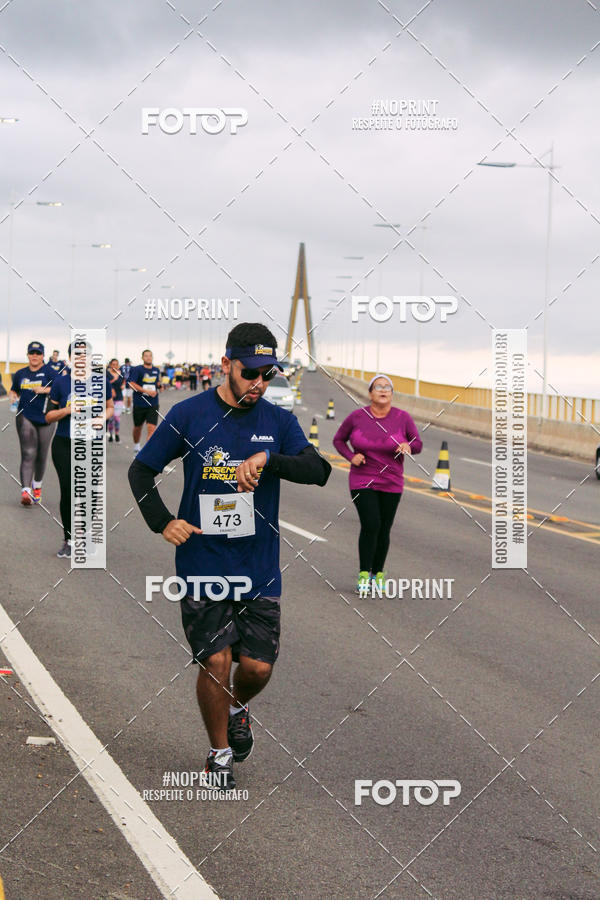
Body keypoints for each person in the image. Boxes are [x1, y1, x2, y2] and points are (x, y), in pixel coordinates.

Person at [128, 322, 331, 788]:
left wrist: (268, 460)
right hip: (203, 562)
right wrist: (163, 521)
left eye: (268, 374)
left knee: (257, 668)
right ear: (227, 365)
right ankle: (219, 753)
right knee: (216, 661)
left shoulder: (277, 422)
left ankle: (239, 708)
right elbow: (141, 471)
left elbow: (318, 470)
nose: (259, 383)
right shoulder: (190, 415)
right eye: (250, 372)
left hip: (258, 566)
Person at [333, 374, 422, 593]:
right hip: (362, 478)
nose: (383, 390)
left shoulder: (403, 418)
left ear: (391, 394)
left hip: (391, 481)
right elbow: (338, 440)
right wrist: (350, 457)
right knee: (371, 524)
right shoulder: (357, 417)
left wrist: (408, 447)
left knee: (384, 529)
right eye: (378, 386)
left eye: (387, 387)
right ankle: (364, 574)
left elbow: (417, 442)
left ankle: (378, 574)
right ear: (370, 393)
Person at [46, 342, 113, 558]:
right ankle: (69, 539)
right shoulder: (61, 382)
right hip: (65, 443)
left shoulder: (101, 381)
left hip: (92, 443)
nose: (82, 358)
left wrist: (101, 418)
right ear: (70, 359)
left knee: (91, 493)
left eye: (86, 355)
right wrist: (66, 409)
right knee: (69, 491)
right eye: (77, 355)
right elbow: (48, 416)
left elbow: (110, 407)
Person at [9, 341, 56, 506]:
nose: (35, 356)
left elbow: (61, 388)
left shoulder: (50, 372)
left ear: (43, 355)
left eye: (38, 353)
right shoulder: (21, 373)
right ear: (27, 355)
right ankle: (26, 491)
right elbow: (14, 389)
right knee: (28, 452)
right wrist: (13, 395)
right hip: (25, 416)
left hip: (46, 418)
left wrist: (46, 390)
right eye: (32, 353)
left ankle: (37, 486)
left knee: (41, 455)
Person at [128, 349, 162, 455]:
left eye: (150, 356)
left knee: (152, 428)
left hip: (153, 403)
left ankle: (146, 454)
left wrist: (160, 386)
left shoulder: (156, 370)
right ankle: (136, 446)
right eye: (146, 356)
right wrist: (146, 391)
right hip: (139, 403)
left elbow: (157, 383)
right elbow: (132, 383)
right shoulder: (137, 369)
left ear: (152, 357)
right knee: (138, 427)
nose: (148, 357)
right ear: (142, 358)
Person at [107, 358, 124, 443]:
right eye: (113, 364)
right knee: (110, 419)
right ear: (110, 365)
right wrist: (111, 388)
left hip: (119, 398)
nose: (114, 366)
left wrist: (123, 385)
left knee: (116, 418)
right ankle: (110, 434)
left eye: (116, 365)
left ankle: (117, 434)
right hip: (109, 399)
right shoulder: (107, 374)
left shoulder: (121, 373)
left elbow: (125, 380)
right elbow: (104, 383)